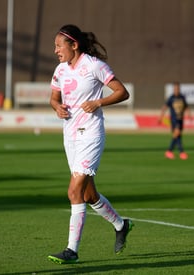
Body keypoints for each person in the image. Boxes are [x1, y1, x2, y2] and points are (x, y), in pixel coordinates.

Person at [48, 24, 134, 265]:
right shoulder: (60, 70)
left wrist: (98, 102)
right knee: (87, 194)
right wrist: (58, 107)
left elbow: (122, 92)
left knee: (74, 191)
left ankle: (71, 250)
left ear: (74, 45)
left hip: (91, 135)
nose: (55, 51)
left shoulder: (94, 65)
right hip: (70, 135)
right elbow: (54, 98)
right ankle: (121, 224)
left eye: (58, 46)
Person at [158, 82, 192, 160]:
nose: (176, 90)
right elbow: (164, 107)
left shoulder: (182, 97)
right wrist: (161, 117)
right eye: (175, 89)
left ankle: (173, 152)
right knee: (177, 134)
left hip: (180, 119)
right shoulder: (171, 98)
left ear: (179, 89)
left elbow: (186, 106)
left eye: (177, 89)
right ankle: (178, 152)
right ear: (173, 89)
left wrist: (189, 114)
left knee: (178, 136)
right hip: (174, 120)